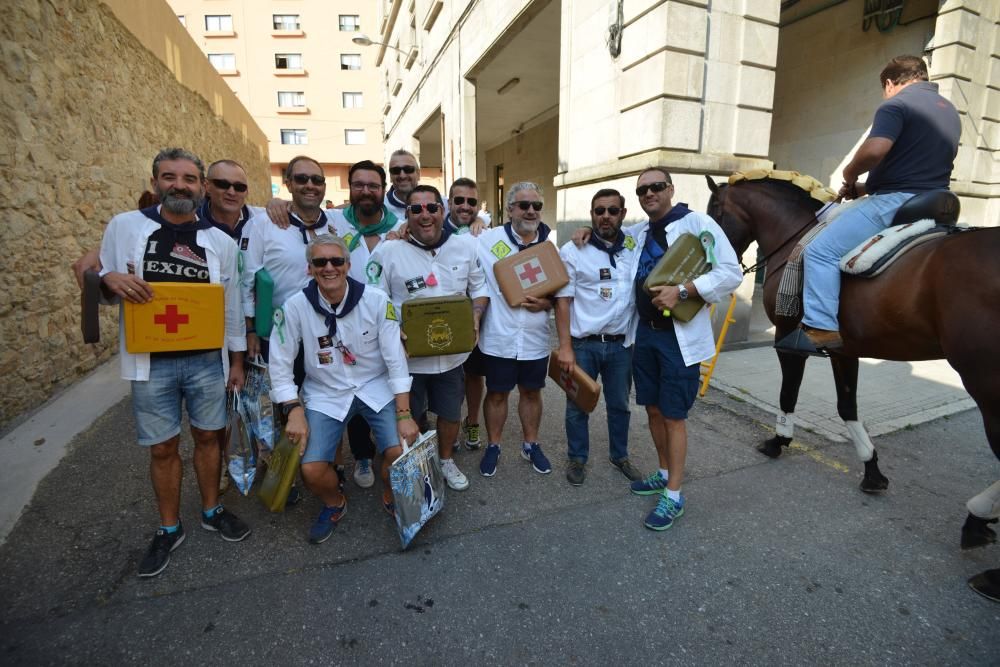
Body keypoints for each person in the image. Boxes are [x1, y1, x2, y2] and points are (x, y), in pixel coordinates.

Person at [97, 148, 250, 577]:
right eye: (170, 177)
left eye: (188, 179)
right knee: (162, 446)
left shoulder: (219, 241)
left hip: (206, 361)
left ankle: (211, 509)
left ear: (201, 187)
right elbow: (104, 282)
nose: (179, 185)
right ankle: (168, 527)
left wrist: (236, 363)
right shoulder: (125, 227)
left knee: (208, 436)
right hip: (152, 363)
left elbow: (233, 307)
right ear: (156, 181)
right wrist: (108, 278)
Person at [799, 55, 961, 350]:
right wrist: (864, 189)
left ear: (889, 83)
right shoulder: (949, 110)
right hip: (939, 201)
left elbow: (876, 150)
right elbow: (914, 165)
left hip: (898, 200)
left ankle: (820, 330)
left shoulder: (896, 104)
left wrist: (849, 173)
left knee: (819, 252)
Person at [270, 235, 419, 544]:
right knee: (311, 469)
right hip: (325, 393)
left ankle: (390, 493)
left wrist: (404, 413)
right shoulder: (294, 307)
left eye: (336, 261)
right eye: (320, 262)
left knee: (399, 451)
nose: (329, 268)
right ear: (309, 268)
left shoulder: (377, 301)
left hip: (373, 386)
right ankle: (335, 502)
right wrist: (293, 408)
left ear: (348, 266)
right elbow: (280, 364)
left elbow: (395, 359)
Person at [627, 167, 742, 530]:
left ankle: (674, 496)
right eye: (642, 189)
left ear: (671, 189)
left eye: (656, 186)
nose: (649, 194)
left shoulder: (697, 223)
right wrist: (584, 233)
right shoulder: (641, 230)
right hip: (644, 333)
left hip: (677, 337)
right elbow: (608, 237)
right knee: (653, 409)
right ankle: (663, 472)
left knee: (674, 415)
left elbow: (731, 272)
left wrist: (684, 291)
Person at [369, 184, 489, 490]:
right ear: (406, 215)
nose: (425, 215)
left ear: (443, 210)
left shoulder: (466, 247)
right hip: (407, 360)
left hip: (452, 357)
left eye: (432, 208)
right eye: (416, 209)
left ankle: (445, 459)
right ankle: (418, 464)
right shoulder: (387, 251)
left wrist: (475, 315)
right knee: (413, 417)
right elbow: (374, 299)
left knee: (450, 414)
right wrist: (394, 328)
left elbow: (479, 288)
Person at [555, 188, 643, 486]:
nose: (605, 216)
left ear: (623, 214)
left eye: (612, 211)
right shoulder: (573, 250)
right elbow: (563, 301)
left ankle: (620, 455)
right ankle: (577, 458)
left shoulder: (634, 243)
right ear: (591, 215)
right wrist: (565, 347)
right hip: (584, 345)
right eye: (599, 211)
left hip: (621, 346)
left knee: (620, 405)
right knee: (577, 405)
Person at [475, 181, 555, 477]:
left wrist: (546, 303)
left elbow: (560, 293)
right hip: (499, 337)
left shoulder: (550, 245)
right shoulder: (485, 239)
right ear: (510, 210)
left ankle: (531, 444)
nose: (531, 211)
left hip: (534, 338)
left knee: (532, 392)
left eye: (536, 206)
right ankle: (494, 446)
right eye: (524, 205)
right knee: (496, 393)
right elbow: (448, 238)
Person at [384, 149, 420, 220]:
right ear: (390, 176)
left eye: (408, 169)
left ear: (418, 174)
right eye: (395, 170)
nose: (402, 176)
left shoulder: (439, 204)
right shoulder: (380, 209)